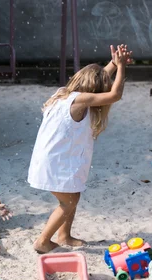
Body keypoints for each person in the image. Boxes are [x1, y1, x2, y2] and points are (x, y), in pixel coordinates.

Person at [27, 44, 133, 254]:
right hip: (55, 163)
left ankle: (64, 235)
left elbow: (97, 80)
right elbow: (114, 95)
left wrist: (112, 63)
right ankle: (42, 241)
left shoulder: (63, 94)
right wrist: (121, 67)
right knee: (68, 202)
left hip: (58, 160)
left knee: (73, 194)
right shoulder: (80, 100)